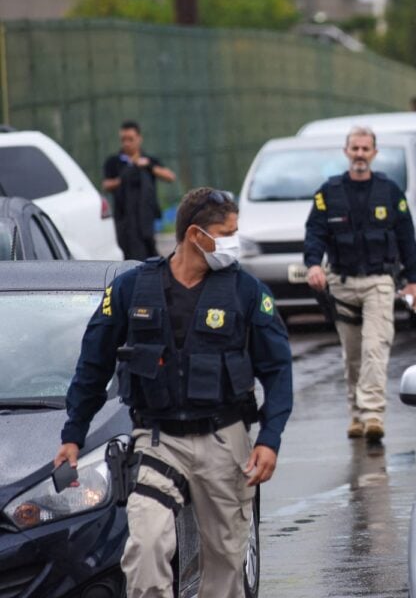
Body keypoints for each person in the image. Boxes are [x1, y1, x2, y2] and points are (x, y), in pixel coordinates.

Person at [54, 187, 293, 598]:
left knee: (227, 562)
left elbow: (278, 370)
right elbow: (93, 365)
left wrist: (269, 440)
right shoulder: (131, 290)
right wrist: (73, 435)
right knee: (146, 547)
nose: (234, 240)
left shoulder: (246, 292)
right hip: (158, 442)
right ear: (196, 235)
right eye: (227, 232)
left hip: (224, 440)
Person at [304, 126, 416, 443]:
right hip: (341, 283)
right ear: (346, 152)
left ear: (374, 153)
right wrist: (313, 264)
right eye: (354, 148)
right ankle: (356, 415)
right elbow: (315, 232)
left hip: (379, 283)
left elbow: (407, 238)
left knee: (374, 349)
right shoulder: (328, 193)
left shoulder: (390, 191)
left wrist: (414, 280)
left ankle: (373, 416)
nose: (359, 154)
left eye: (365, 149)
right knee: (353, 354)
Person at [103, 120, 177, 260]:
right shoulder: (114, 162)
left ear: (139, 139)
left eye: (130, 139)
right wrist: (125, 175)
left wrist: (148, 166)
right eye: (123, 139)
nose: (126, 143)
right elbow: (106, 184)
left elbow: (170, 176)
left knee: (149, 252)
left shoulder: (148, 160)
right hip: (123, 219)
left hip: (145, 219)